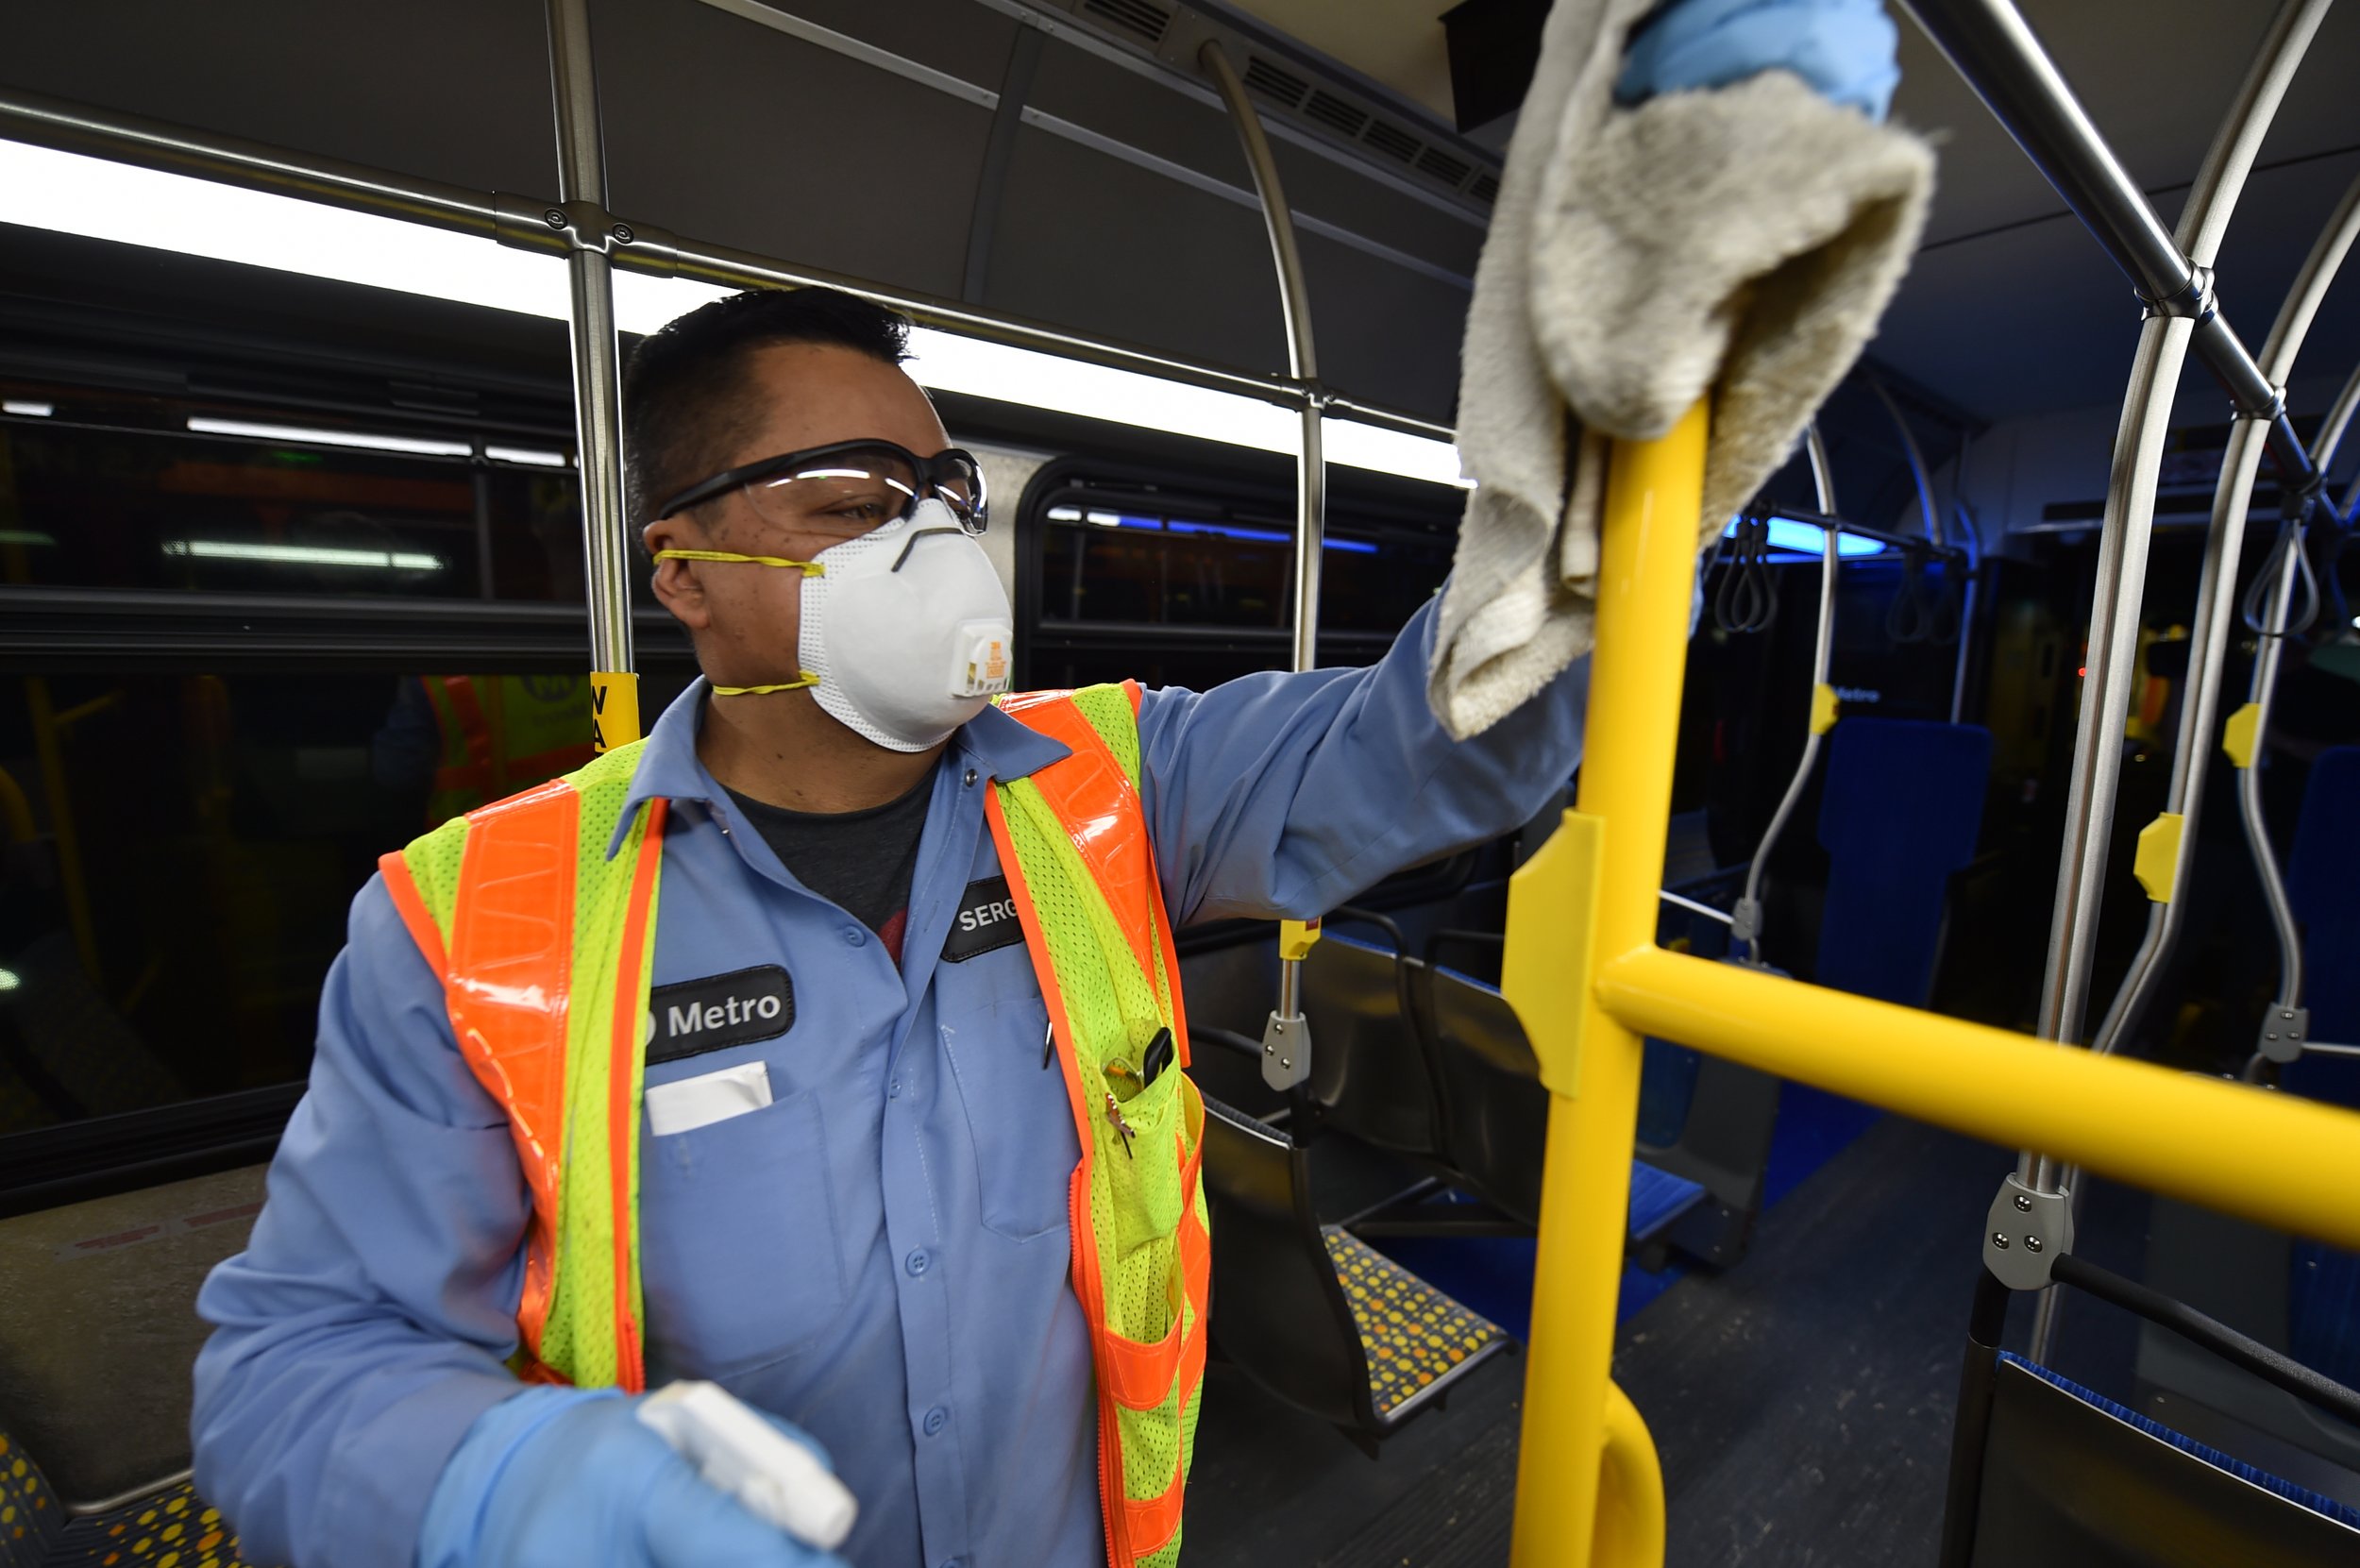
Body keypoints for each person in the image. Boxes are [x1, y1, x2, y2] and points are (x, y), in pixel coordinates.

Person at [190, 10, 1905, 1567]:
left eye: (942, 490)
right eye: (852, 499)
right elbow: (294, 1364)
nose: (935, 536)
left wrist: (1638, 405)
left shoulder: (1113, 786)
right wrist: (494, 1479)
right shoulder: (468, 927)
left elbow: (1453, 729)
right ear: (685, 574)